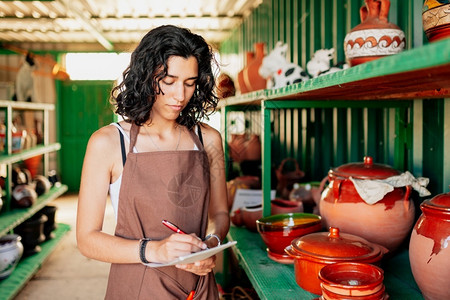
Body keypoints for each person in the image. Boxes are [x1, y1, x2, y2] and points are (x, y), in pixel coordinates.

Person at [76, 25, 230, 299]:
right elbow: (87, 239)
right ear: (145, 77)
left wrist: (211, 244)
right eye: (168, 82)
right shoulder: (109, 143)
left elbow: (220, 215)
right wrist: (154, 250)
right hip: (137, 287)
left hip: (200, 287)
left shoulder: (208, 140)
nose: (180, 95)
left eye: (190, 82)